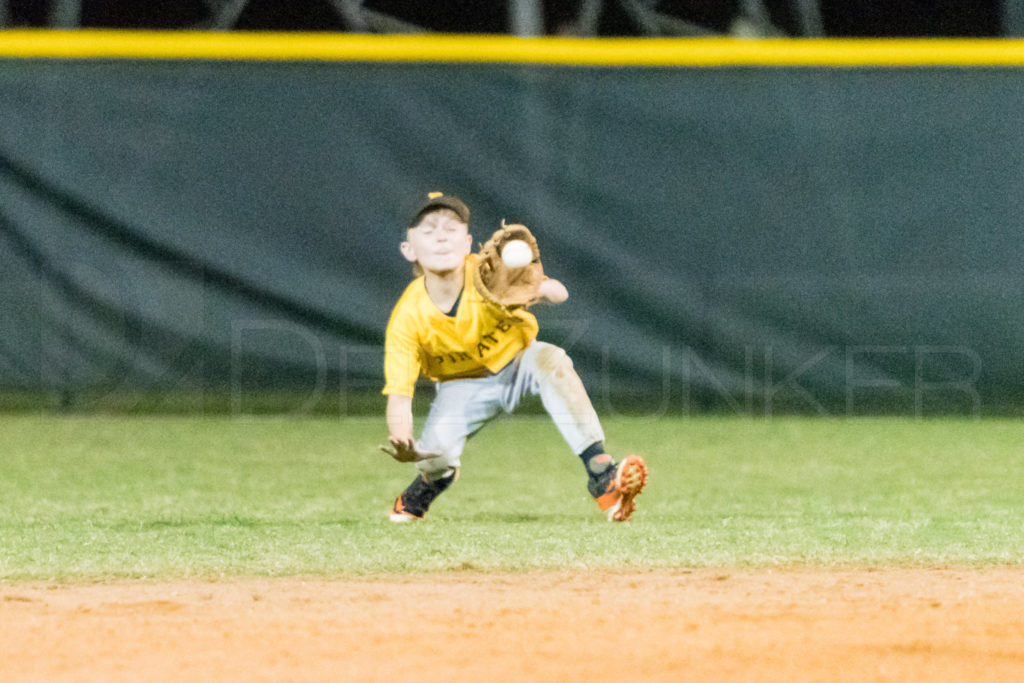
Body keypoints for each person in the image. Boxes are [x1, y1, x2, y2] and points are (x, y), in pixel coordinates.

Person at [380, 191, 648, 522]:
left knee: (553, 361)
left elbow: (559, 292)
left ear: (467, 243)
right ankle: (431, 482)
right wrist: (402, 437)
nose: (440, 236)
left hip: (520, 362)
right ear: (409, 249)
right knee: (433, 457)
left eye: (451, 228)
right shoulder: (408, 317)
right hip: (460, 386)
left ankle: (601, 473)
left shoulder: (491, 273)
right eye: (428, 229)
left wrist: (545, 290)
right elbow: (399, 394)